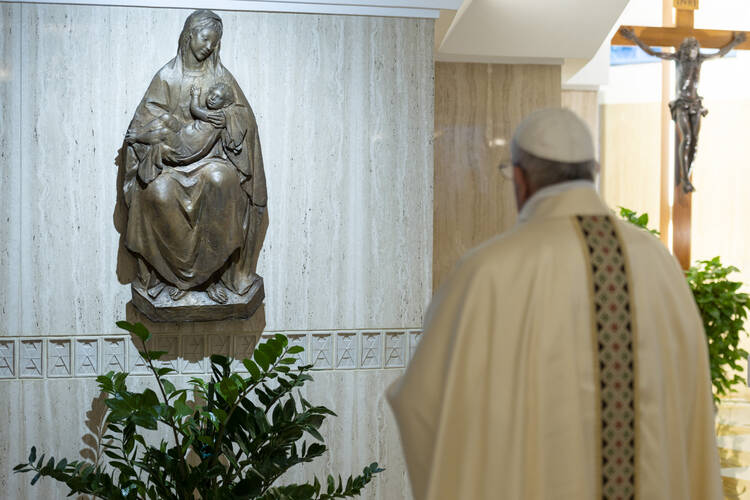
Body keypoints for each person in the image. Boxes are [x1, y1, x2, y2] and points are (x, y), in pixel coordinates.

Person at [387, 108, 721, 499]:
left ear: (521, 180)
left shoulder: (488, 272)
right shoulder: (657, 263)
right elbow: (692, 404)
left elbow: (422, 406)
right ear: (593, 170)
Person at [121, 10, 266, 304]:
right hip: (170, 163)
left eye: (216, 42)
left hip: (211, 158)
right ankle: (174, 277)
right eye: (206, 38)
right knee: (158, 191)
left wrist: (226, 117)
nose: (210, 46)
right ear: (189, 36)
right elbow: (143, 121)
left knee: (221, 179)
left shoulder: (221, 77)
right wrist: (168, 132)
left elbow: (244, 117)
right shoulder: (167, 77)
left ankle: (214, 276)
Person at [620, 28, 745, 193]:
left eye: (694, 50)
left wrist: (736, 42)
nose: (691, 53)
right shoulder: (678, 58)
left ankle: (687, 176)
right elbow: (652, 53)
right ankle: (685, 179)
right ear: (684, 50)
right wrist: (634, 37)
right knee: (686, 138)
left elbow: (720, 53)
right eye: (688, 50)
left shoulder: (699, 60)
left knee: (695, 142)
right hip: (681, 104)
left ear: (696, 50)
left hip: (696, 104)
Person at [125, 83, 236, 167]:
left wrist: (195, 96)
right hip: (182, 134)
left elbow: (195, 109)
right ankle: (140, 131)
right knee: (166, 118)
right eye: (212, 94)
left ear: (225, 104)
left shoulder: (218, 116)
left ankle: (136, 137)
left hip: (184, 150)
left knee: (165, 133)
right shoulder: (211, 112)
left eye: (218, 97)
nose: (212, 98)